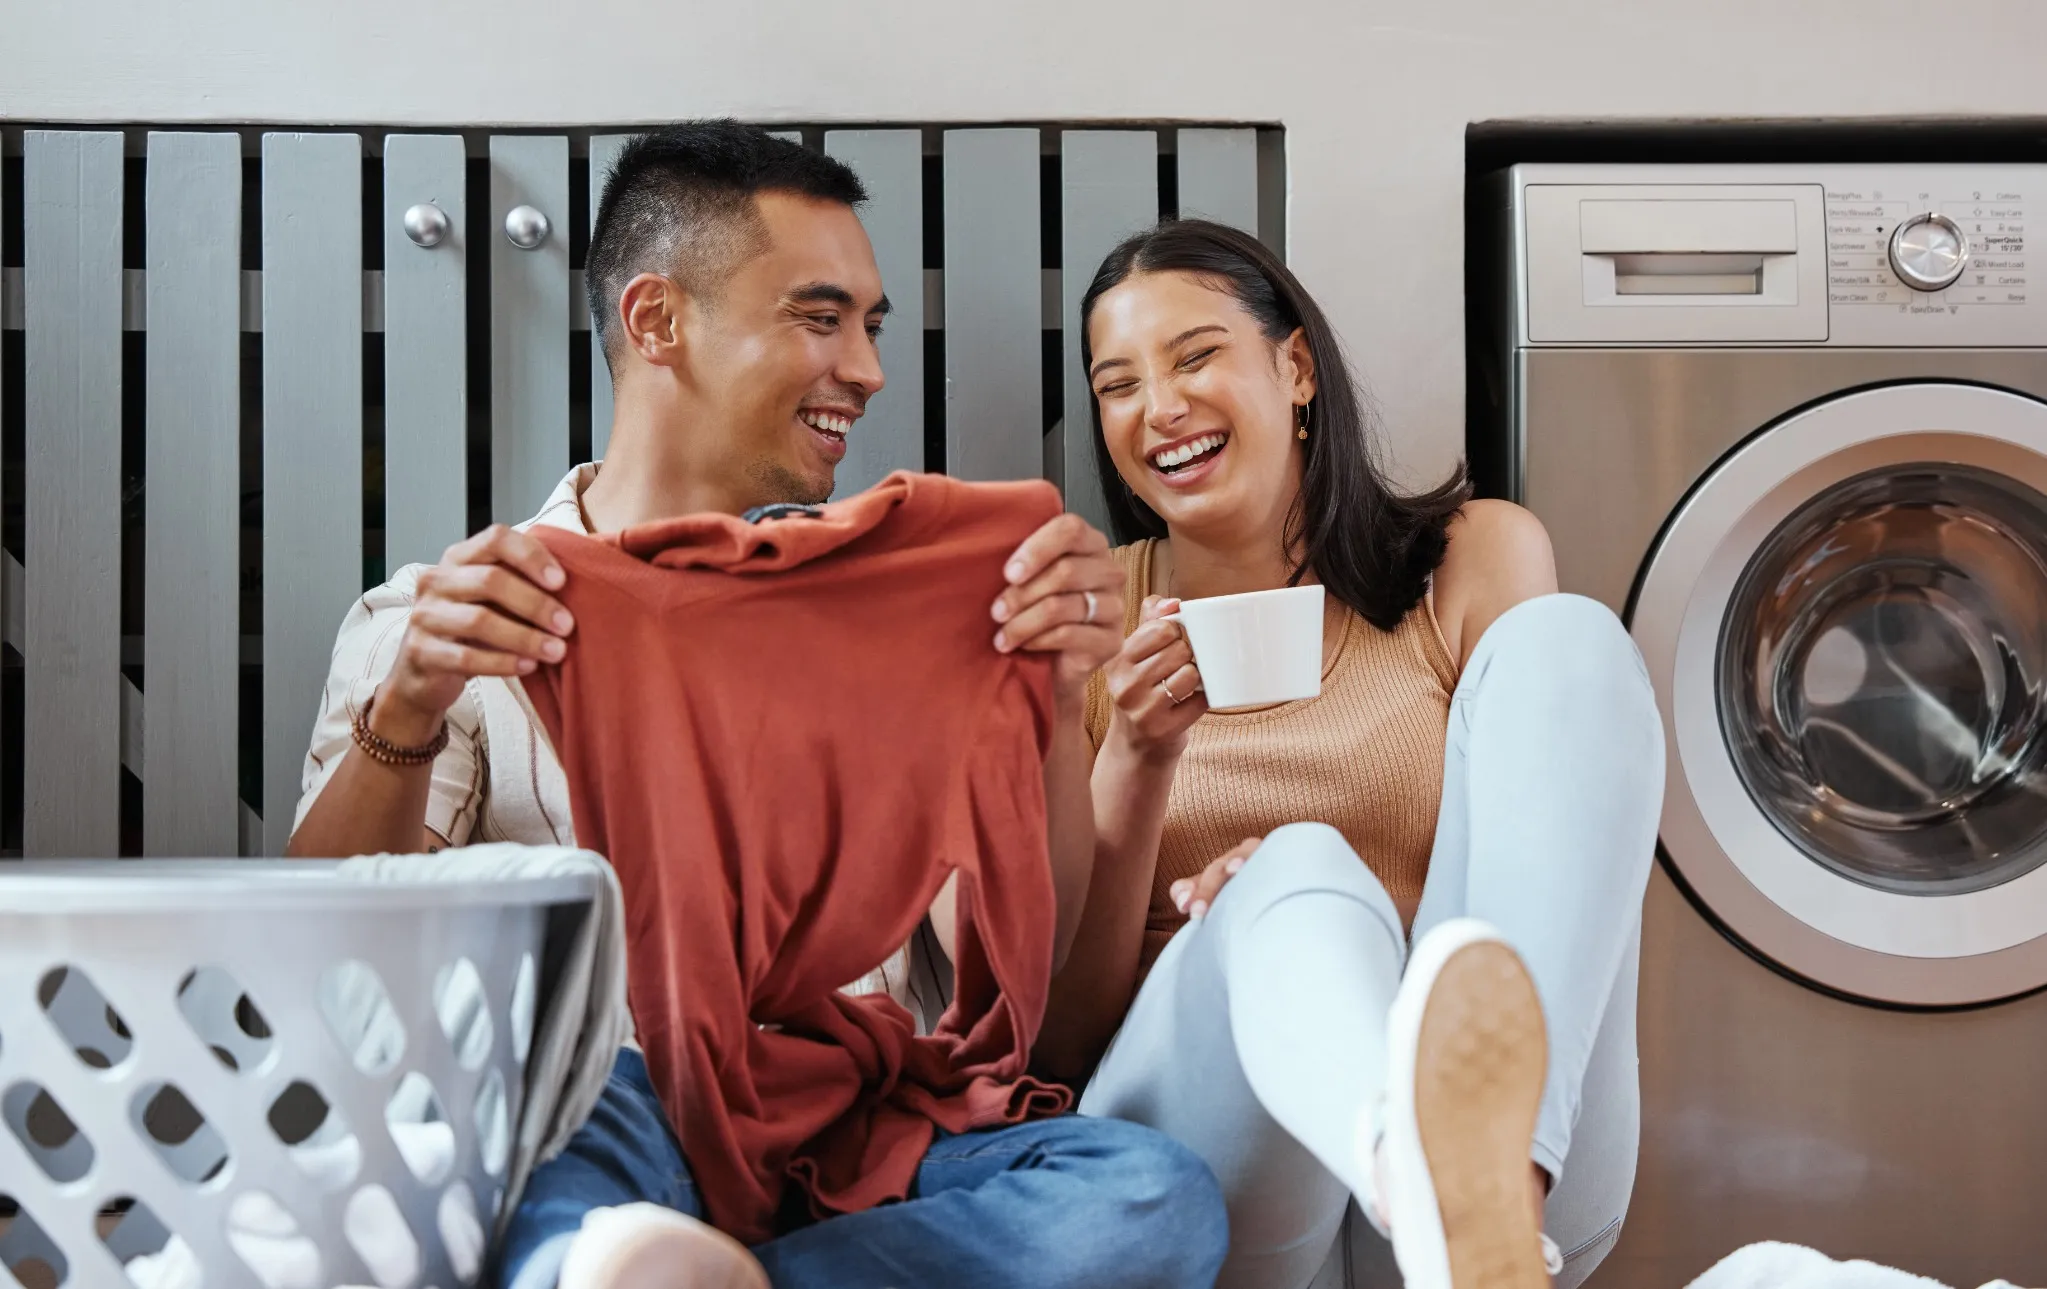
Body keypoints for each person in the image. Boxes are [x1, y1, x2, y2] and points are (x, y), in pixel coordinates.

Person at [290, 122, 1227, 1289]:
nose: (870, 370)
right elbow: (324, 963)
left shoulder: (900, 611)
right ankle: (642, 1256)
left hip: (855, 1129)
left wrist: (1050, 699)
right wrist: (412, 704)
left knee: (1151, 1196)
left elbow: (1007, 974)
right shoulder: (453, 618)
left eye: (870, 327)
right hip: (610, 1105)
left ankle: (691, 1275)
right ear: (656, 322)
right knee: (551, 1122)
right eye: (821, 318)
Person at [1025, 219, 1665, 1289]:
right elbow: (1058, 1040)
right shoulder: (1087, 629)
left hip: (1534, 1172)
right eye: (1117, 382)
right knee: (1299, 867)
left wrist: (1364, 930)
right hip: (1223, 1178)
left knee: (1571, 642)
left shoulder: (1469, 561)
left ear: (1296, 367)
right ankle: (1422, 1176)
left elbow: (1543, 855)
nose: (1160, 408)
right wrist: (1140, 762)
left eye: (1193, 357)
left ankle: (1483, 1191)